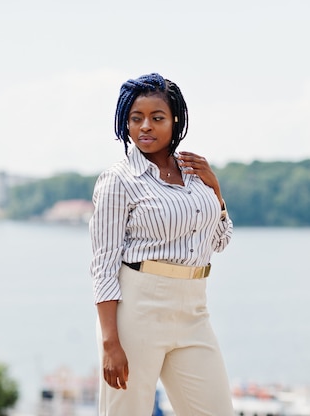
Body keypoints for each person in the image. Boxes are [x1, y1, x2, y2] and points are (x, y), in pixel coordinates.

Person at [89, 73, 235, 416]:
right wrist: (111, 342)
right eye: (135, 118)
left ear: (176, 121)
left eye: (157, 118)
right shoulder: (118, 180)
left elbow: (219, 241)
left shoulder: (196, 175)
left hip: (194, 310)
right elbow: (103, 265)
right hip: (137, 310)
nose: (145, 127)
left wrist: (217, 191)